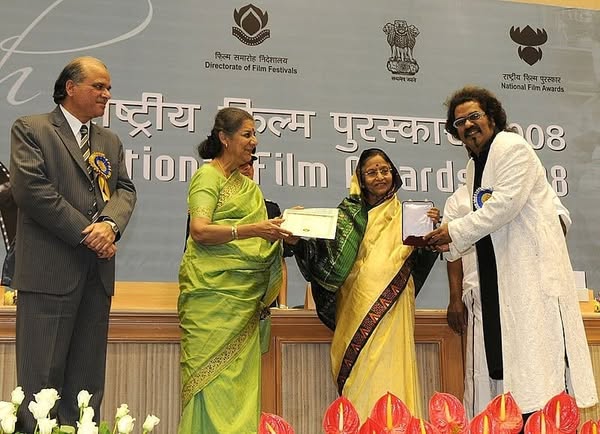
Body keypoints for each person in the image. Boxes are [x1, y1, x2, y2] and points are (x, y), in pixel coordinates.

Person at [425, 86, 598, 422]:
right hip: (499, 281)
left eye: (474, 116)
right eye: (459, 122)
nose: (468, 125)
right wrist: (450, 242)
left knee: (538, 371)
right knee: (509, 371)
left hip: (529, 277)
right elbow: (484, 221)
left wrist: (454, 233)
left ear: (492, 117)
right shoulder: (474, 167)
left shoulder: (512, 147)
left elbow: (503, 206)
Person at [10, 56, 137, 432]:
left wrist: (110, 225)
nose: (106, 94)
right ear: (70, 87)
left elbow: (125, 190)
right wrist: (89, 233)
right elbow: (32, 191)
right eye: (98, 86)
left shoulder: (109, 140)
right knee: (40, 385)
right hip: (48, 276)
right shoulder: (32, 128)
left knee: (86, 386)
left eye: (109, 87)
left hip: (96, 278)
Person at [288, 148, 439, 421]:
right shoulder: (347, 215)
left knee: (394, 366)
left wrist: (432, 231)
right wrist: (297, 238)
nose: (380, 177)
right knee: (361, 372)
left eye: (384, 170)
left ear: (393, 174)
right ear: (360, 178)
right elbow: (326, 260)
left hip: (395, 306)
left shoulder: (407, 215)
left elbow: (420, 259)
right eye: (371, 172)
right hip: (354, 306)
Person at [178, 107, 292, 433]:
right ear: (224, 138)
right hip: (210, 301)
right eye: (247, 134)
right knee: (210, 384)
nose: (254, 141)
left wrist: (286, 229)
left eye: (255, 135)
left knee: (240, 388)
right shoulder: (207, 177)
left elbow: (262, 244)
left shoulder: (250, 189)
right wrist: (253, 230)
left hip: (244, 304)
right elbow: (200, 230)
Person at [443, 184, 572, 419]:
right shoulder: (459, 198)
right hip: (481, 295)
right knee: (483, 374)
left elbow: (559, 225)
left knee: (535, 370)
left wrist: (517, 217)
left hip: (529, 295)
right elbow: (451, 252)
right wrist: (454, 298)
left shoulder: (528, 184)